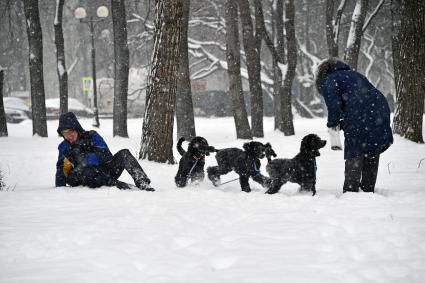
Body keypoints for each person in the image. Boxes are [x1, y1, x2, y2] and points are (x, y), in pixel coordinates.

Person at [315, 58, 393, 193]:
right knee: (371, 149)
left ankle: (351, 192)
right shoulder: (355, 74)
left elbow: (334, 105)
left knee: (355, 149)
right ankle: (368, 190)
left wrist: (333, 125)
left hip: (360, 113)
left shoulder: (329, 79)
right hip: (380, 110)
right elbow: (358, 98)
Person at [55, 112, 154, 191]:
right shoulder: (63, 147)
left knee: (124, 153)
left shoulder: (92, 136)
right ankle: (117, 184)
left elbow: (106, 156)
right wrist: (60, 188)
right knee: (86, 170)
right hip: (82, 177)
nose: (69, 136)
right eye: (65, 133)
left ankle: (142, 182)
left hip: (104, 171)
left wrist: (86, 158)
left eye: (71, 131)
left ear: (77, 129)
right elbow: (61, 170)